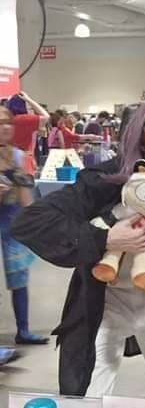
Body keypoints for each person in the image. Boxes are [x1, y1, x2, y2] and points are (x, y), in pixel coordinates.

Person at [11, 95, 145, 399]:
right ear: (141, 136)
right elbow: (31, 221)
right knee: (84, 396)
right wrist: (105, 239)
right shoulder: (107, 180)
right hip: (106, 305)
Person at [0, 106, 48, 345]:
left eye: (8, 122)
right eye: (0, 123)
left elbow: (27, 201)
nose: (5, 127)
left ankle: (24, 330)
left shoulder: (19, 156)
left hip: (12, 223)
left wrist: (20, 185)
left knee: (19, 278)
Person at [7, 92, 49, 176]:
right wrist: (28, 99)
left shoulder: (7, 120)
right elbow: (46, 116)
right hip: (24, 161)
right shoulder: (24, 119)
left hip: (9, 159)